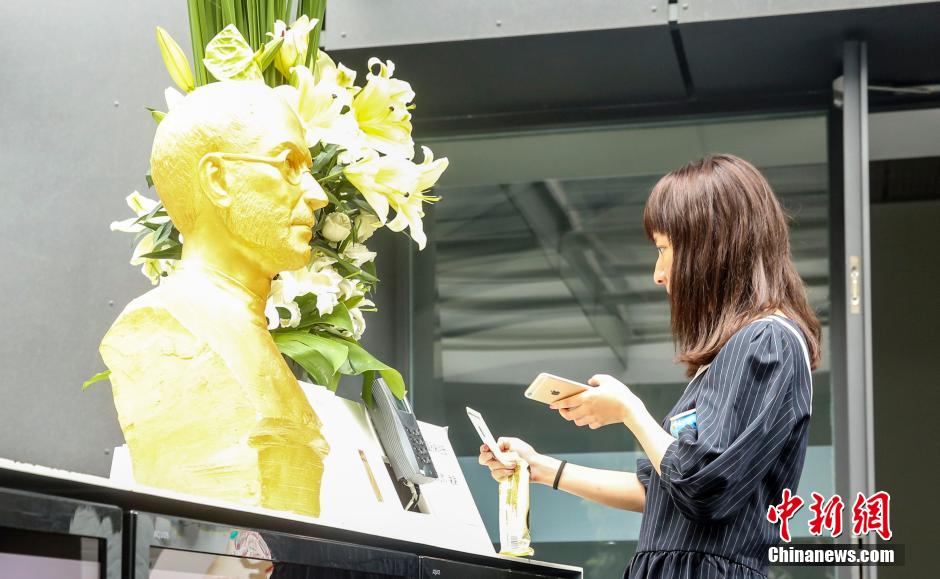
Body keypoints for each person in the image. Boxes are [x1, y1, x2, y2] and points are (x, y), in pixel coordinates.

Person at [479, 154, 820, 578]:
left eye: (664, 249)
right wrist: (541, 468)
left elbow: (702, 486)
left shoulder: (766, 340)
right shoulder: (746, 346)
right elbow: (664, 487)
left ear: (710, 244)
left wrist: (629, 411)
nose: (658, 273)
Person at [100, 82, 331, 516]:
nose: (318, 193)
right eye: (289, 164)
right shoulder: (159, 328)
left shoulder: (249, 332)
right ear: (218, 179)